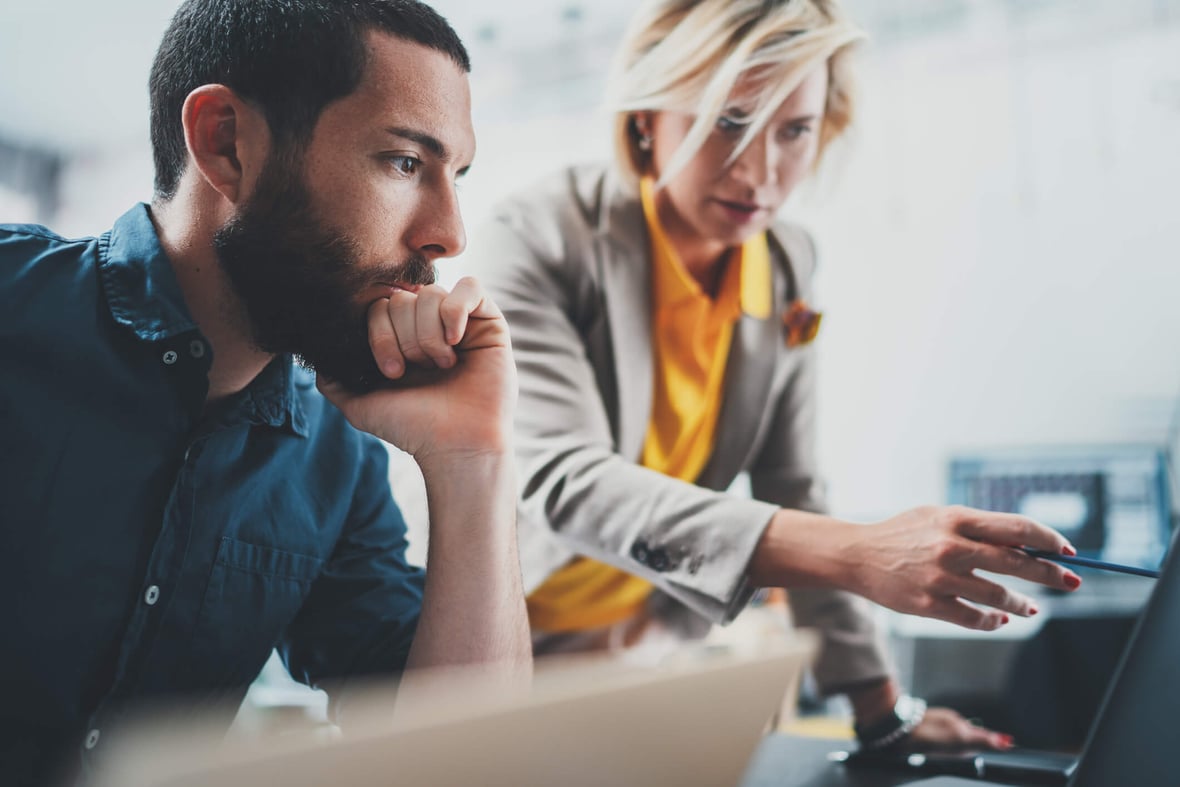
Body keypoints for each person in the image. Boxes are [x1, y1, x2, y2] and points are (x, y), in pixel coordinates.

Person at [460, 0, 1081, 753]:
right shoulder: (538, 239)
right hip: (504, 641)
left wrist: (885, 712)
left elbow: (795, 485)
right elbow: (564, 479)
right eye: (727, 120)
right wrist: (857, 550)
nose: (760, 171)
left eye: (794, 131)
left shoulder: (787, 264)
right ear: (645, 116)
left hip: (654, 643)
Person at [0, 1, 530, 783]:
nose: (449, 233)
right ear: (226, 143)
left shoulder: (339, 458)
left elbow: (463, 764)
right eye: (404, 163)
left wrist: (473, 460)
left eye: (455, 176)